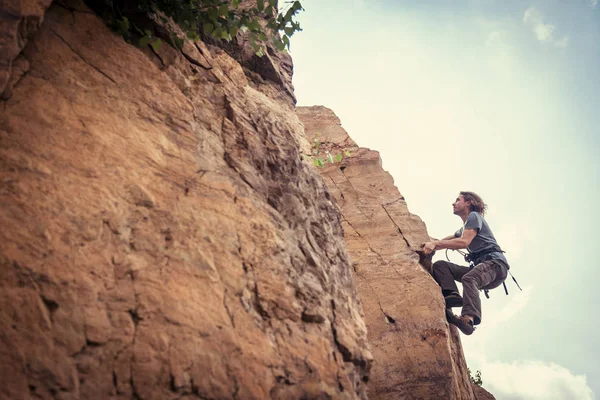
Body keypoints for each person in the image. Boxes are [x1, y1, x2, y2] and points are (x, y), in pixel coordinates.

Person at [421, 191, 510, 335]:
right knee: (441, 266)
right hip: (485, 268)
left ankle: (468, 319)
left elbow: (464, 242)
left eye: (458, 200)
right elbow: (449, 239)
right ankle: (452, 295)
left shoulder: (474, 217)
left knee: (469, 278)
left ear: (468, 202)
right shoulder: (464, 227)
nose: (453, 203)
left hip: (495, 264)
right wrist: (430, 242)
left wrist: (436, 245)